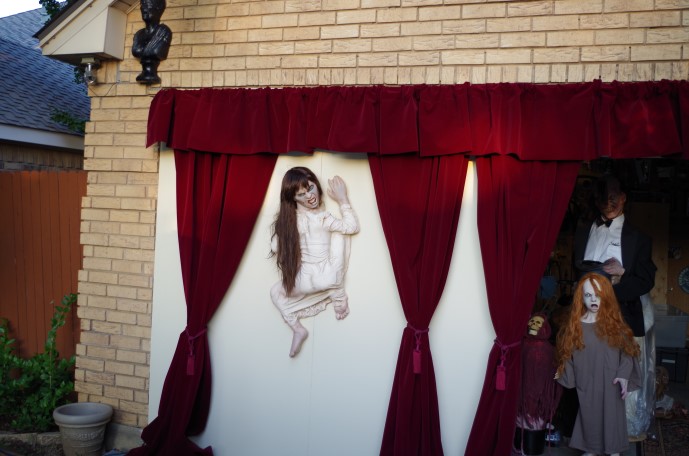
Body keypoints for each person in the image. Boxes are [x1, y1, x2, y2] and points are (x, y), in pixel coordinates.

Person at [270, 167, 359, 357]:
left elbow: (275, 247)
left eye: (310, 188)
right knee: (339, 235)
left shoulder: (293, 221)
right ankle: (337, 296)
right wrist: (343, 200)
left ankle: (298, 327)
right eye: (301, 195)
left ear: (316, 184)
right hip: (324, 278)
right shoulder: (320, 218)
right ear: (293, 199)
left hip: (308, 282)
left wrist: (289, 233)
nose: (309, 196)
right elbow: (351, 226)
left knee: (275, 292)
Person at [555, 273, 641, 456]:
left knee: (612, 416)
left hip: (611, 381)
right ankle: (591, 448)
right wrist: (564, 371)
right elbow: (568, 352)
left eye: (598, 295)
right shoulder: (575, 326)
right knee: (589, 414)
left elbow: (629, 351)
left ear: (606, 296)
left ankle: (613, 449)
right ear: (581, 298)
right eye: (588, 295)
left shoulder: (615, 324)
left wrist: (623, 375)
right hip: (586, 380)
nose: (593, 299)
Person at [573, 174, 656, 337]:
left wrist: (623, 273)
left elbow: (646, 281)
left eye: (612, 197)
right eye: (602, 197)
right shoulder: (582, 232)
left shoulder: (640, 239)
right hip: (582, 316)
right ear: (596, 200)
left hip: (620, 319)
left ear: (623, 197)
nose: (607, 202)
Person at [131, 0, 172, 84]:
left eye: (148, 5)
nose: (144, 9)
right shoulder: (138, 34)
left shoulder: (163, 31)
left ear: (159, 8)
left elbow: (156, 51)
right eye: (143, 5)